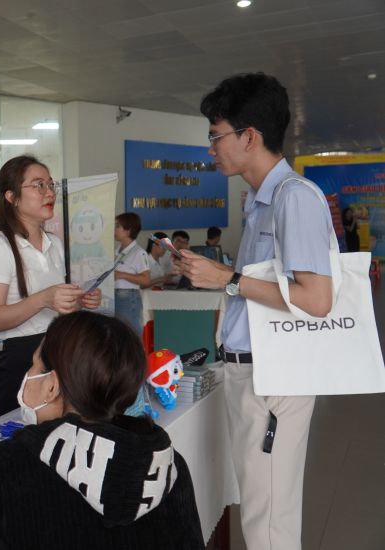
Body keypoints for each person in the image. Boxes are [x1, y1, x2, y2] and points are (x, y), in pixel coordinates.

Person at [0, 311, 205, 549]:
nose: (29, 374)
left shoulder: (2, 470)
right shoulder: (171, 468)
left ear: (51, 387)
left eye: (34, 365)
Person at [179, 72, 333, 550]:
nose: (211, 149)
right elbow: (261, 288)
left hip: (273, 379)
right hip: (250, 373)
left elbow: (317, 298)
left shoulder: (294, 199)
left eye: (215, 136)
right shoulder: (258, 205)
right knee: (261, 509)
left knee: (269, 521)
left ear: (249, 136)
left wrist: (227, 279)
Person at [0, 155, 101, 416]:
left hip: (59, 351)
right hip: (21, 360)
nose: (49, 192)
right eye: (38, 185)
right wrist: (44, 298)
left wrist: (79, 300)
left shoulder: (54, 243)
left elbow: (56, 304)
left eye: (50, 184)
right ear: (11, 196)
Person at [113, 212, 150, 337]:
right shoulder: (117, 250)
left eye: (118, 226)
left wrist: (122, 275)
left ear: (128, 231)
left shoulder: (139, 253)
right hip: (115, 296)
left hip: (129, 298)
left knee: (131, 334)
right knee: (118, 334)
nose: (114, 229)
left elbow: (146, 280)